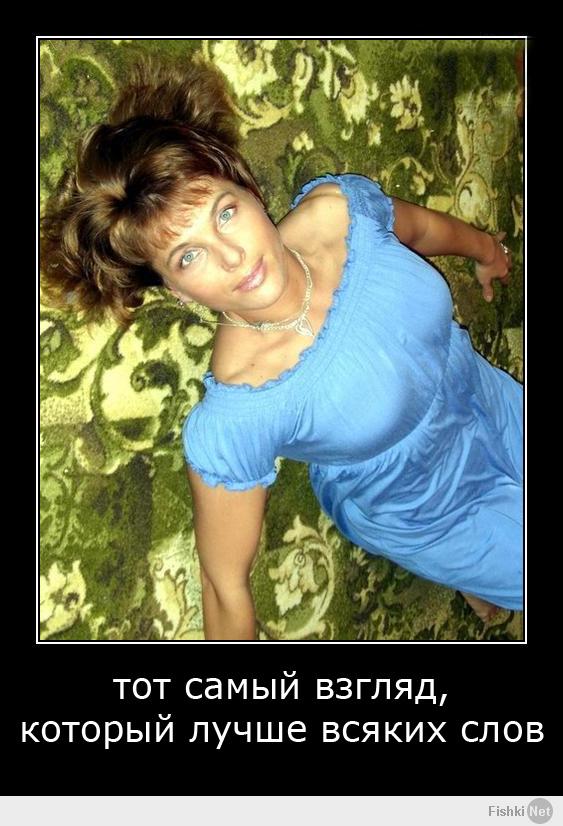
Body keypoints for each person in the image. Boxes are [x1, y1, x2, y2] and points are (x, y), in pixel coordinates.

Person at [40, 54, 522, 641]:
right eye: (188, 256)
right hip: (424, 506)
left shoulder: (338, 213)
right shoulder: (243, 409)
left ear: (248, 190)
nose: (232, 256)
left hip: (489, 399)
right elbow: (224, 585)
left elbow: (418, 229)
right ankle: (467, 563)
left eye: (224, 213)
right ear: (176, 290)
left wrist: (485, 250)